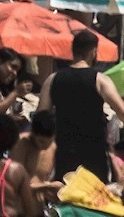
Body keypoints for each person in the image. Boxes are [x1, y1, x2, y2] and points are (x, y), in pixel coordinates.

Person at [38, 28, 124, 181]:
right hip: (94, 152)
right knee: (93, 199)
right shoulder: (100, 80)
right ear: (93, 51)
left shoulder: (52, 79)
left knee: (64, 196)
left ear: (73, 50)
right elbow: (122, 112)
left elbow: (41, 117)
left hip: (64, 150)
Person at [9, 110, 59, 203]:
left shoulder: (53, 147)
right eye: (41, 141)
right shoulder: (20, 145)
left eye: (49, 141)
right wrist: (47, 186)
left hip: (39, 204)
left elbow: (44, 180)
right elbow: (14, 184)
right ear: (33, 133)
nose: (44, 146)